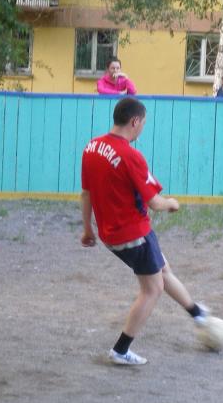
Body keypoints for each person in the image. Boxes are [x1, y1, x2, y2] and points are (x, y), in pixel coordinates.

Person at [80, 96, 215, 365]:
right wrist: (172, 203)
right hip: (133, 235)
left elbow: (86, 193)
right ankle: (120, 350)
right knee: (153, 289)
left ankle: (197, 313)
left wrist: (87, 229)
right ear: (135, 121)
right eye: (143, 123)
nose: (142, 127)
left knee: (163, 269)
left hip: (111, 233)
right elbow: (154, 202)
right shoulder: (131, 156)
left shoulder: (92, 147)